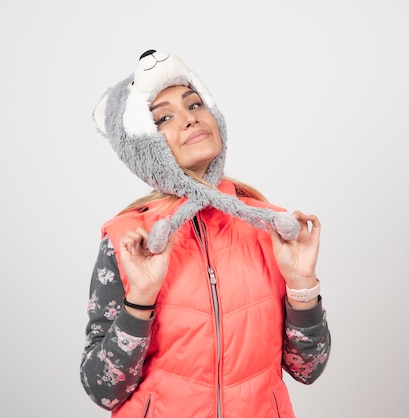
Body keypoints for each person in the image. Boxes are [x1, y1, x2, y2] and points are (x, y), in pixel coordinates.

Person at [80, 49, 331, 418]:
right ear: (140, 144)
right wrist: (142, 299)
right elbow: (102, 390)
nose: (188, 120)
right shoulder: (127, 238)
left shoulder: (271, 226)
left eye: (194, 104)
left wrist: (302, 285)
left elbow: (306, 370)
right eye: (164, 117)